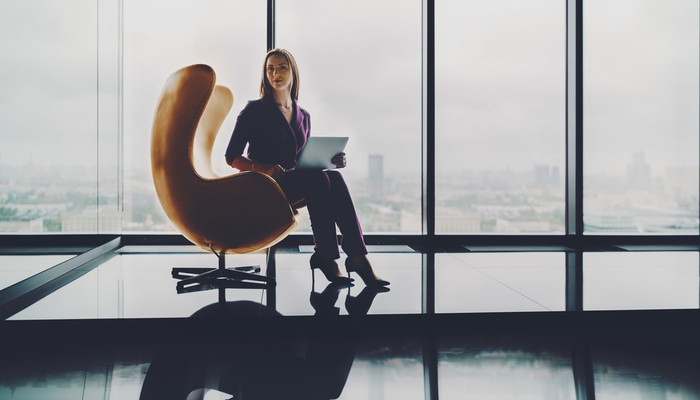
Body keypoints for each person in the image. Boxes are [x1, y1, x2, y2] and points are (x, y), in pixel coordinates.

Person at [225, 48, 389, 287]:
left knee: (333, 177)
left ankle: (356, 256)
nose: (275, 73)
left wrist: (330, 161)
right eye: (270, 68)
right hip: (263, 185)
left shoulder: (304, 116)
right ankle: (328, 256)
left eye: (282, 67)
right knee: (320, 180)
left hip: (293, 182)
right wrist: (266, 168)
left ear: (293, 72)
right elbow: (231, 157)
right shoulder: (254, 111)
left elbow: (302, 162)